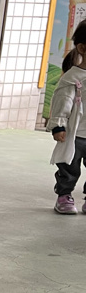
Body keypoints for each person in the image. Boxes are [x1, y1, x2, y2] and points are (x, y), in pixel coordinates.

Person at [48, 28, 86, 215]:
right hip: (75, 133)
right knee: (69, 167)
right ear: (82, 48)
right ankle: (64, 195)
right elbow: (62, 103)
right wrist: (58, 126)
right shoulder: (72, 78)